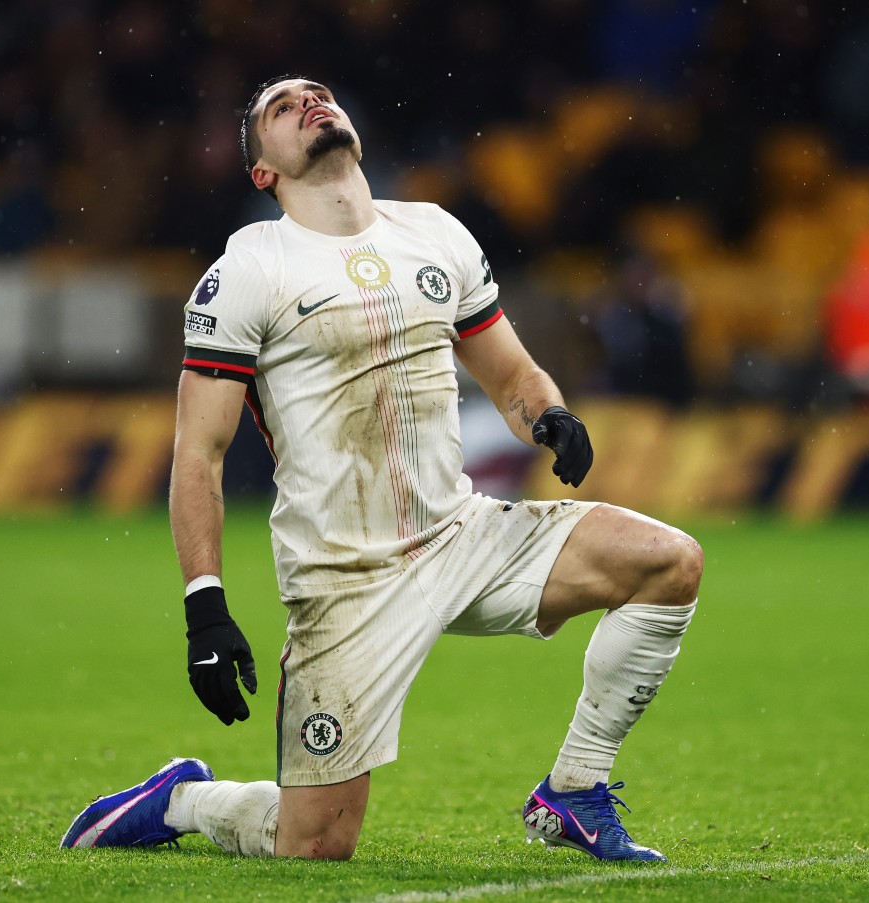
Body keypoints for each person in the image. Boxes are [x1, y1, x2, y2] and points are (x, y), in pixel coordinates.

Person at [60, 76, 703, 862]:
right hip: (344, 574)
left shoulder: (434, 232)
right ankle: (185, 798)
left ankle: (573, 789)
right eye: (281, 107)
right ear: (263, 169)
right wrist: (205, 606)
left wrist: (550, 416)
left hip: (461, 533)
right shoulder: (247, 270)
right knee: (316, 844)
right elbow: (200, 452)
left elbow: (511, 377)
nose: (308, 102)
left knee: (670, 562)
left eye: (317, 93)